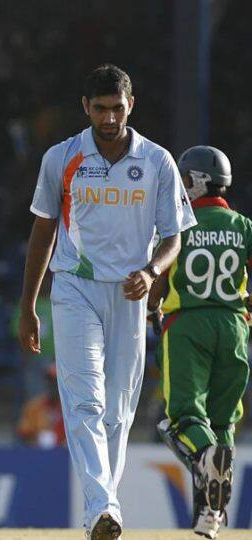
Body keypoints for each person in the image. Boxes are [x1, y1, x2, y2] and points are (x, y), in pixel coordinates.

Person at [17, 64, 196, 540]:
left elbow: (174, 237)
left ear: (130, 105)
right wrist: (28, 304)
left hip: (129, 293)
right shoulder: (62, 157)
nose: (110, 118)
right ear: (86, 107)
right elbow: (42, 231)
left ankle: (103, 509)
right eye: (100, 109)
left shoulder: (157, 161)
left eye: (117, 108)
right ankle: (103, 508)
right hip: (74, 286)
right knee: (85, 401)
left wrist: (151, 273)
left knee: (118, 411)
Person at [148, 146, 249, 540]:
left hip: (188, 325)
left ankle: (206, 458)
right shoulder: (243, 225)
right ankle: (211, 513)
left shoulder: (179, 224)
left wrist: (152, 310)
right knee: (223, 422)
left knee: (183, 419)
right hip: (234, 326)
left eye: (185, 179)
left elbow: (159, 280)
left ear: (198, 182)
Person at [16, 364, 65, 447]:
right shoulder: (34, 407)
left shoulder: (71, 409)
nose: (53, 385)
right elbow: (23, 433)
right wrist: (38, 437)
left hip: (64, 452)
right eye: (50, 381)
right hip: (38, 452)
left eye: (57, 382)